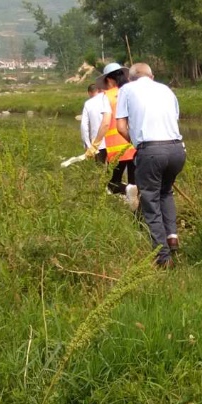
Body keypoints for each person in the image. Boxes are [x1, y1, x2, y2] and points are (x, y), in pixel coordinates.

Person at [115, 62, 185, 268]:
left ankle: (162, 256)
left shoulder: (126, 89)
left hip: (151, 150)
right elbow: (174, 119)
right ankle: (172, 235)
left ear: (130, 78)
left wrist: (137, 143)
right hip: (177, 149)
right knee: (165, 192)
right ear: (151, 76)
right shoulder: (166, 89)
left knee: (150, 199)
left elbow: (120, 126)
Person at [92, 63, 136, 195]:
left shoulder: (107, 96)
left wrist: (95, 144)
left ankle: (123, 194)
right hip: (134, 142)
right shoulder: (132, 92)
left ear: (109, 80)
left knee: (114, 182)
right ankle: (135, 208)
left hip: (117, 147)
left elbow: (105, 122)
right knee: (133, 181)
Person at [80, 82, 109, 164]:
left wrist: (87, 144)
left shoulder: (88, 103)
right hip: (112, 141)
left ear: (89, 92)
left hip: (97, 144)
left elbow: (84, 126)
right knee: (114, 170)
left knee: (99, 169)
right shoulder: (108, 99)